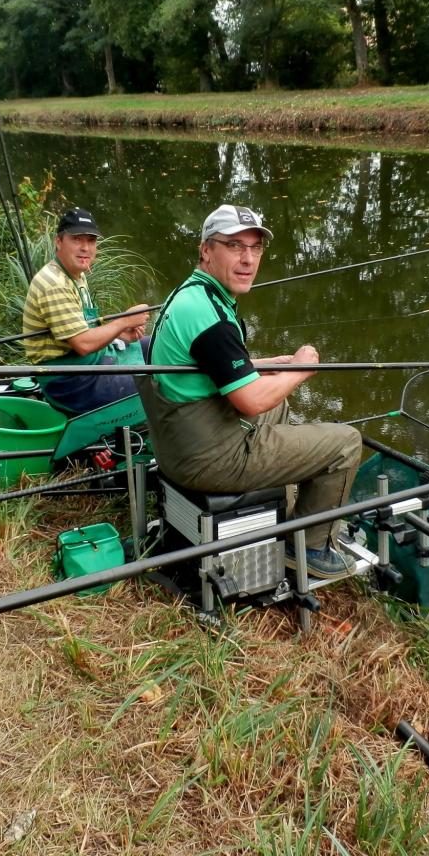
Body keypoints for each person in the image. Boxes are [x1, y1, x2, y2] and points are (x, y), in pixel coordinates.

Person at [140, 204, 361, 579]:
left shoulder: (190, 295)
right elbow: (250, 400)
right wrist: (303, 368)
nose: (247, 259)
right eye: (234, 246)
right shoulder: (210, 316)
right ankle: (307, 546)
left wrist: (262, 364)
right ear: (206, 250)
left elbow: (207, 363)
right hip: (207, 459)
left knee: (279, 403)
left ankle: (285, 499)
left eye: (255, 248)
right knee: (346, 443)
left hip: (178, 443)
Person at [22, 207, 150, 414]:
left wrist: (119, 334)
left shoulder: (76, 275)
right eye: (77, 240)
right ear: (58, 241)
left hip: (88, 363)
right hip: (70, 383)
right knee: (156, 382)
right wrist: (125, 321)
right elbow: (82, 343)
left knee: (157, 346)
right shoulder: (54, 283)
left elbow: (84, 327)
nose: (85, 248)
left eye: (91, 241)